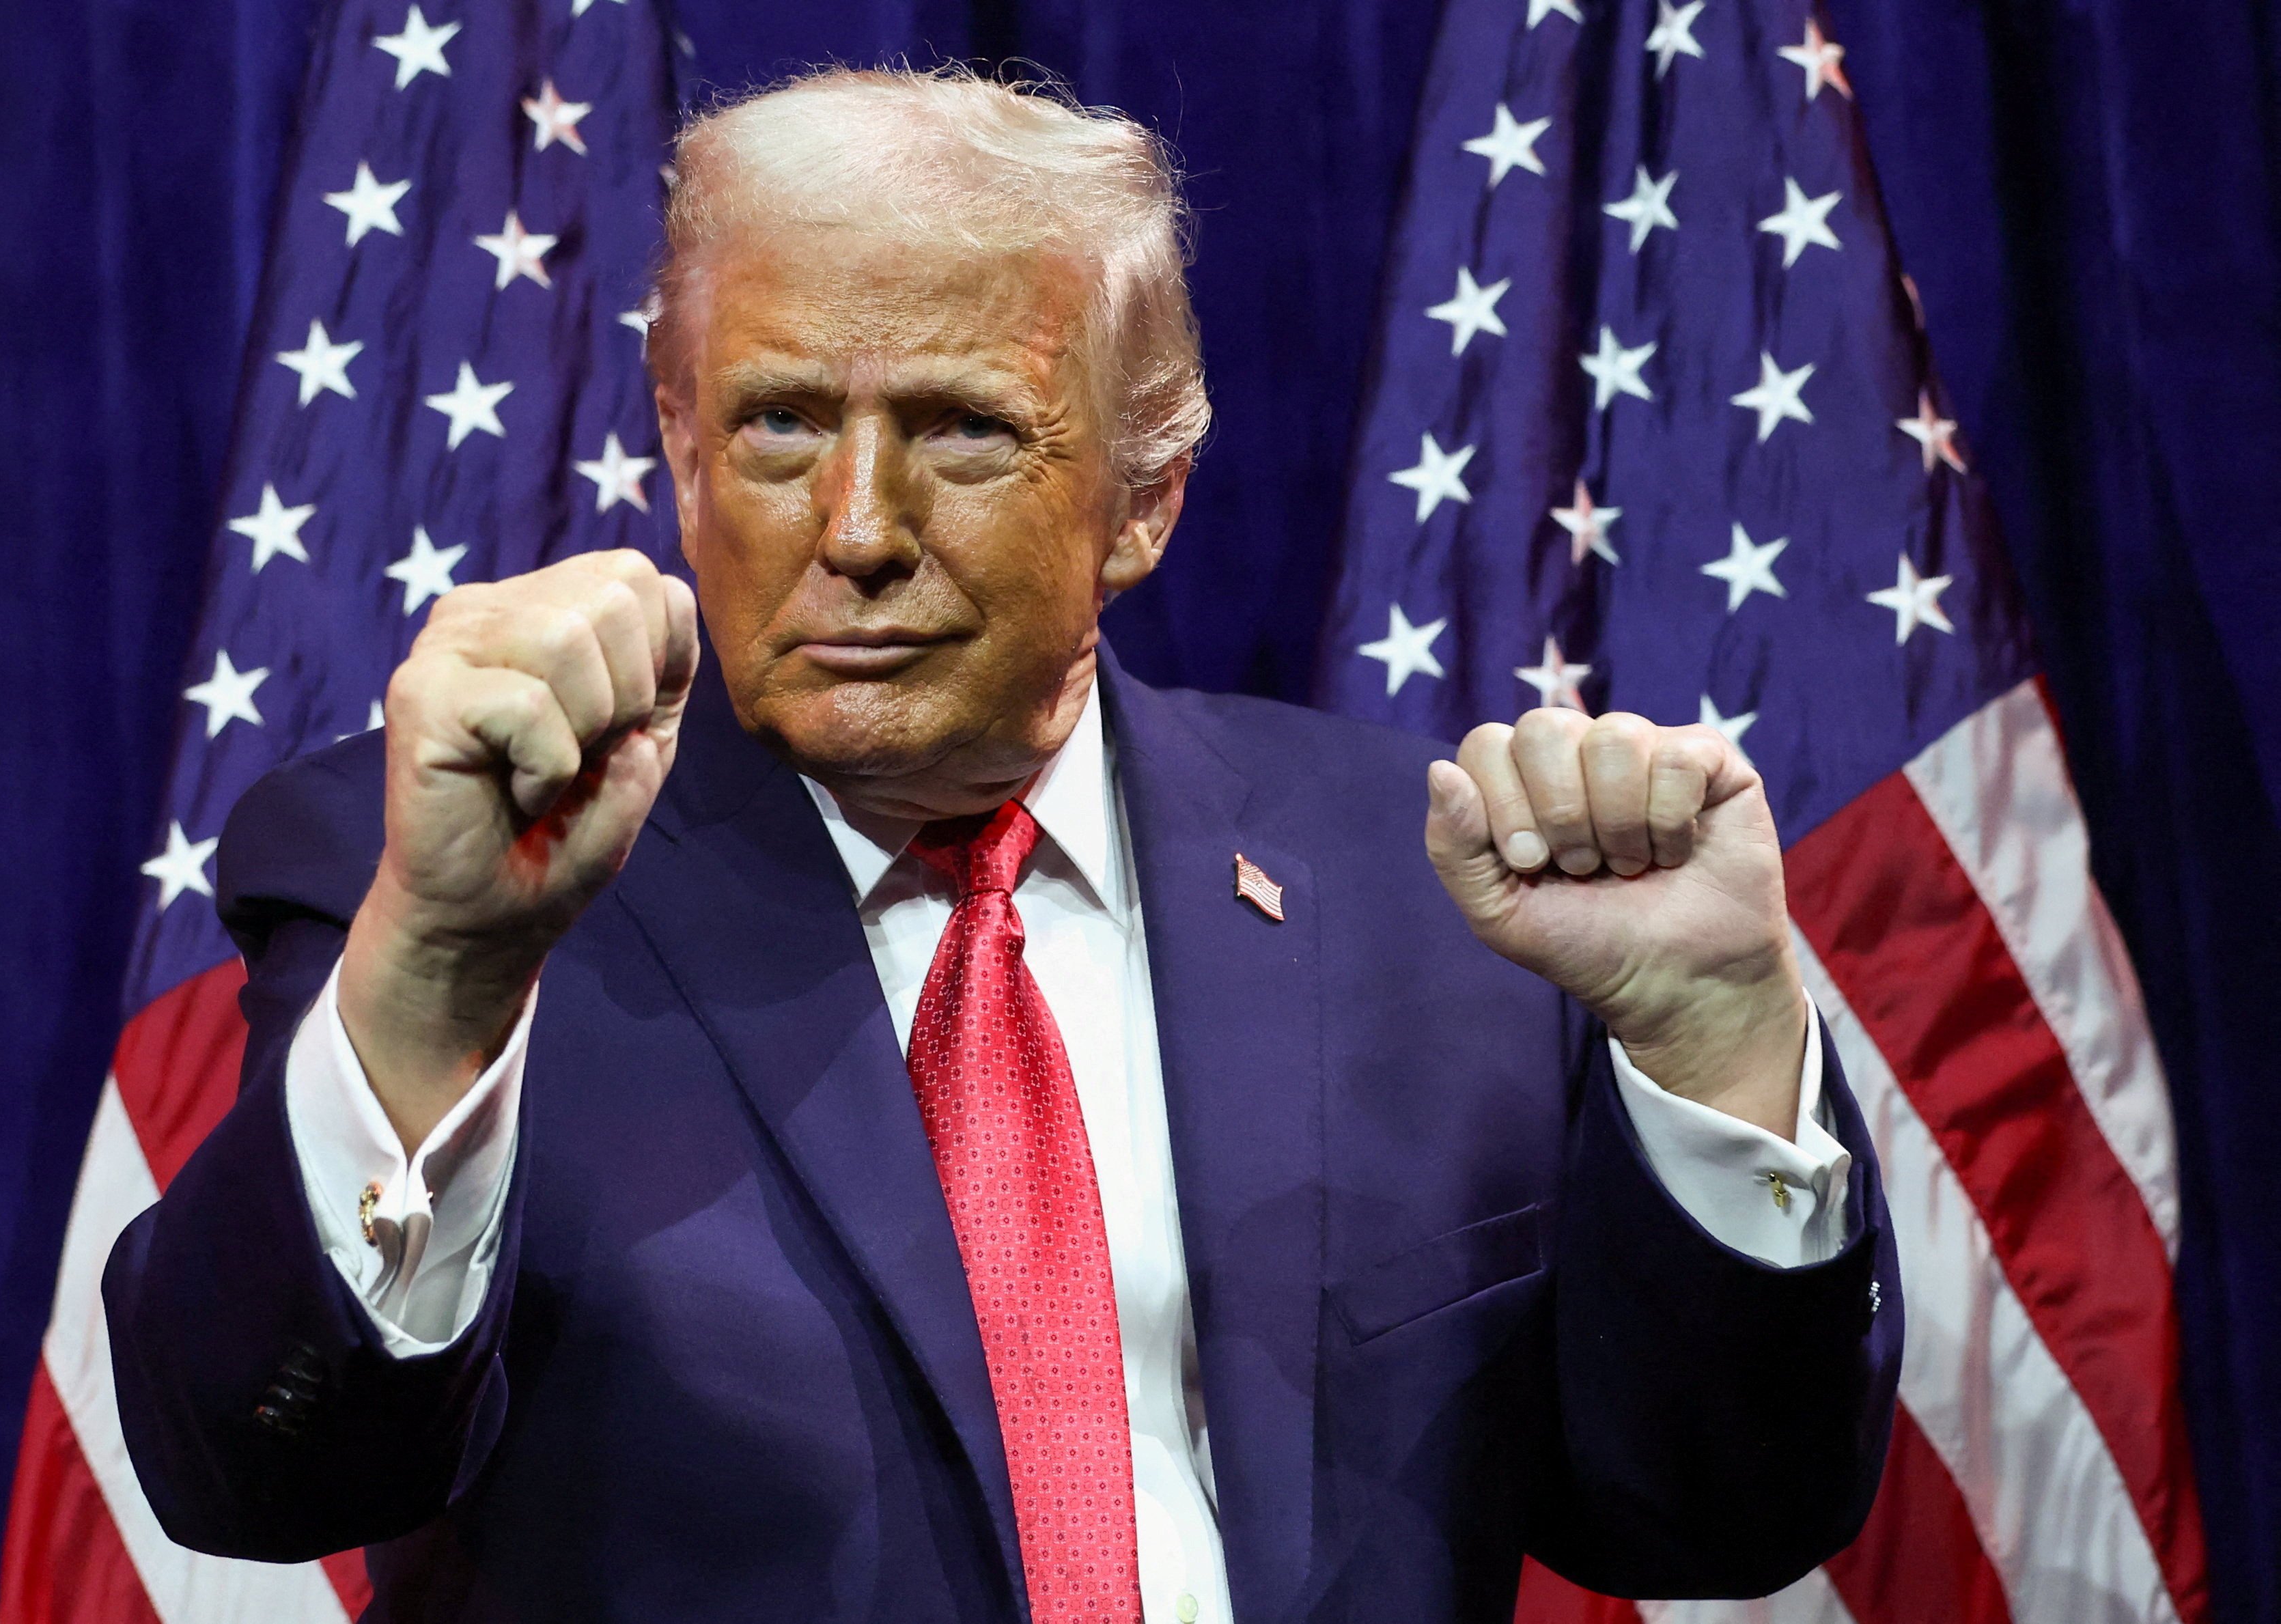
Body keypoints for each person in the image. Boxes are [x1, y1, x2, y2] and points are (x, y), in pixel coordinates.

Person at [107, 67, 1901, 1624]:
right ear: (677, 445)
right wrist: (434, 974)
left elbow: (1721, 1505)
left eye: (962, 428)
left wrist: (1718, 1048)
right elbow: (254, 1468)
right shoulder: (434, 875)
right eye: (781, 422)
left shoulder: (1436, 901)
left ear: (1145, 493)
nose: (858, 526)